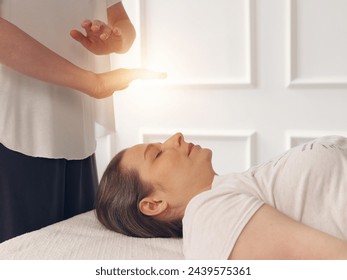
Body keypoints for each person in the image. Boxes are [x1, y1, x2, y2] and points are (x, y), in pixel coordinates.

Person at [0, 0, 165, 243]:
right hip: (15, 128)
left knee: (76, 252)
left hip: (76, 129)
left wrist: (116, 40)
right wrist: (94, 83)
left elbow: (120, 20)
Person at [96, 132, 347, 259]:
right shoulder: (208, 214)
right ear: (154, 204)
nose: (176, 137)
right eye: (158, 153)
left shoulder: (233, 189)